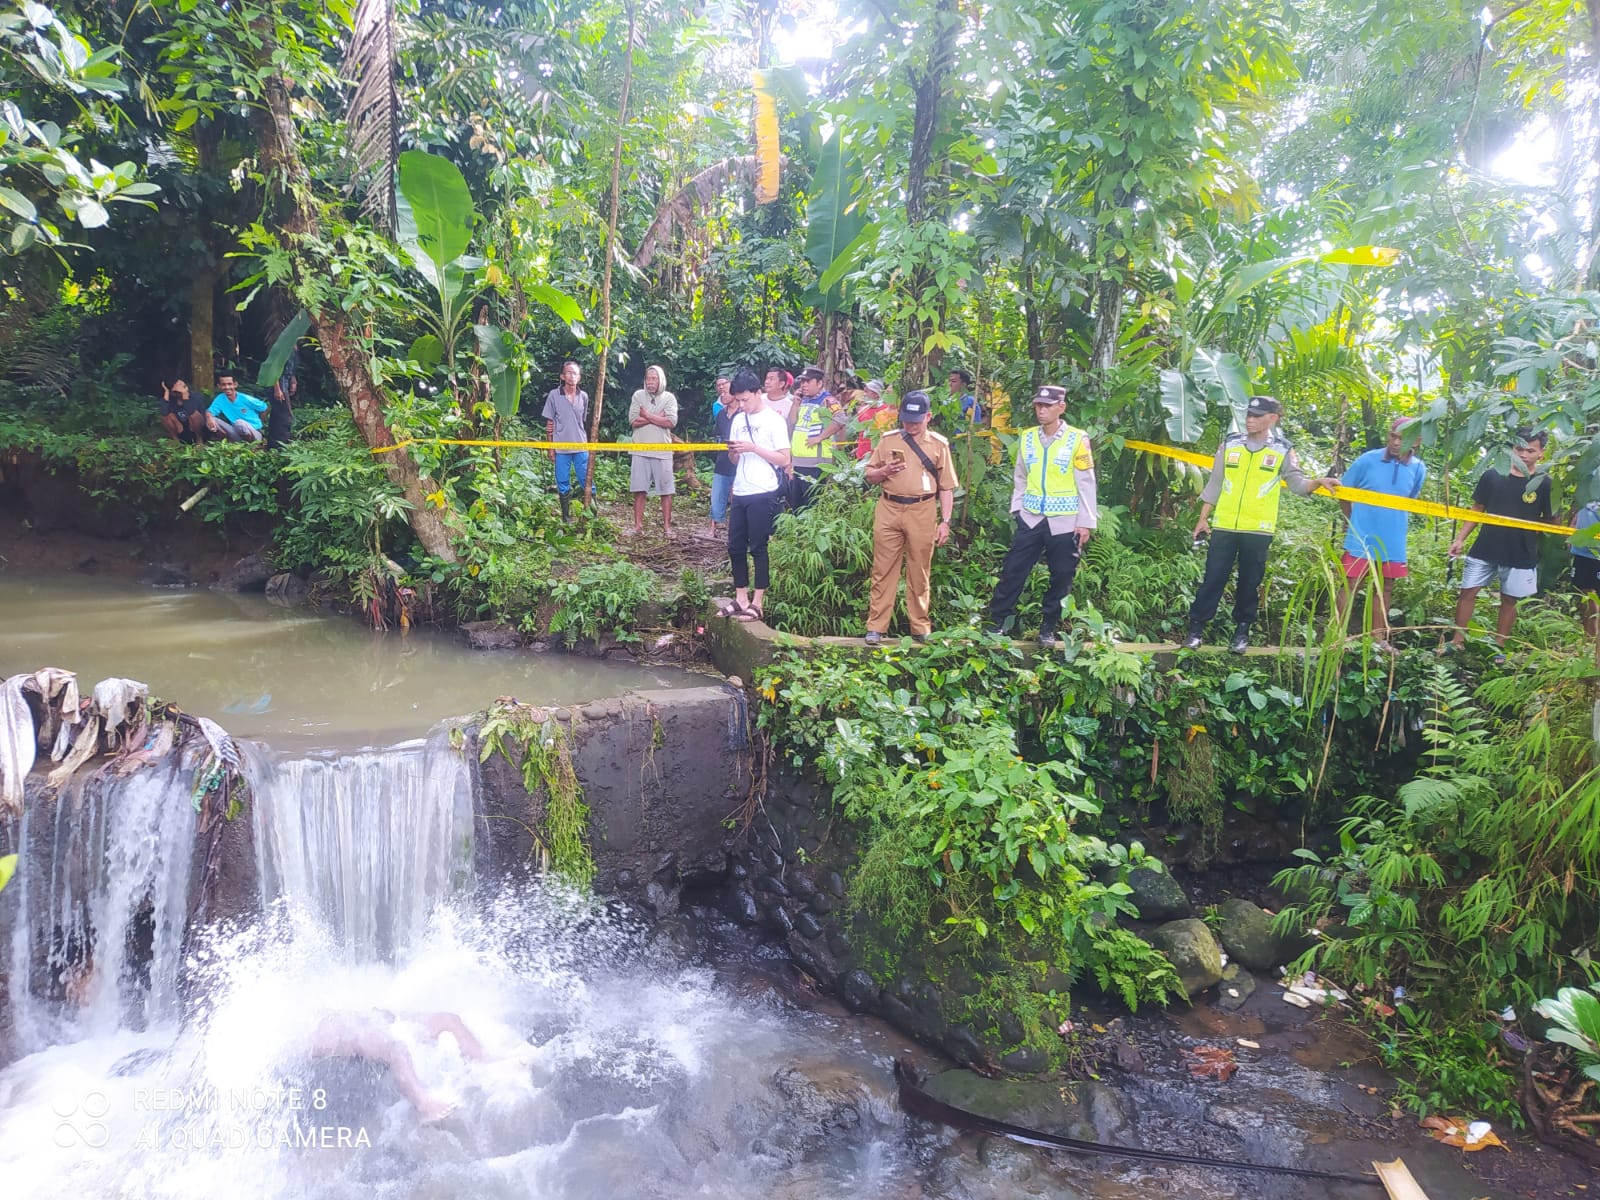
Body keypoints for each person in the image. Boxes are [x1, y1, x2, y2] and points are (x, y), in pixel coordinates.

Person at [1184, 396, 1338, 652]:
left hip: (1258, 529)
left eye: (1257, 416)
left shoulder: (1282, 449)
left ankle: (1241, 633)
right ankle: (1195, 630)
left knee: (1249, 582)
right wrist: (1203, 518)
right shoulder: (1230, 444)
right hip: (1225, 525)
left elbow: (1298, 484)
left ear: (1273, 418)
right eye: (1249, 415)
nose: (1250, 420)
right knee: (1213, 578)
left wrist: (1317, 482)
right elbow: (1216, 482)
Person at [984, 385, 1097, 648]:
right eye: (1038, 405)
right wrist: (1017, 508)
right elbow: (1020, 475)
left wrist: (1085, 522)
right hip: (1031, 517)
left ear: (1061, 407)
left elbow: (1086, 482)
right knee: (1013, 571)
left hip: (1065, 521)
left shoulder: (1077, 439)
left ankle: (1048, 628)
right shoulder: (1027, 437)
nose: (1041, 410)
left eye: (1047, 406)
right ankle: (997, 623)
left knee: (1061, 577)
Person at [1446, 427, 1552, 662]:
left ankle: (1499, 647)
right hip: (1486, 546)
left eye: (1530, 451)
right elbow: (1477, 509)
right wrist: (1460, 538)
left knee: (1509, 599)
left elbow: (1550, 521)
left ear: (1541, 453)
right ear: (1511, 449)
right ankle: (1457, 641)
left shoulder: (1544, 483)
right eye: (1519, 449)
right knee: (1468, 592)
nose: (1523, 455)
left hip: (1520, 552)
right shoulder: (1493, 475)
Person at [863, 390, 958, 646]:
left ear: (928, 417)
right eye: (906, 420)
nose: (911, 426)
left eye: (916, 421)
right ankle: (876, 627)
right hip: (889, 507)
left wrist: (945, 521)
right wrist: (884, 471)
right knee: (882, 569)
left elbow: (946, 487)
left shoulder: (938, 445)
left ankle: (920, 626)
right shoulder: (888, 440)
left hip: (922, 510)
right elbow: (869, 475)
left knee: (920, 570)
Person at [309, 1009, 499, 1124]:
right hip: (351, 1028)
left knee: (448, 1019)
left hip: (377, 1017)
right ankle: (424, 1104)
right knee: (396, 1049)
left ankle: (487, 1063)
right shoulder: (324, 1027)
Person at [1336, 417, 1426, 649]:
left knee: (1385, 587)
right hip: (1361, 535)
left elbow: (1410, 499)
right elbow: (1343, 492)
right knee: (1351, 583)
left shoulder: (1418, 468)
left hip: (1393, 539)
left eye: (1402, 439)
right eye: (1393, 436)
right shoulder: (1367, 460)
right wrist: (1351, 521)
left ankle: (1378, 639)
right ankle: (1337, 636)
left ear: (1416, 441)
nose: (1395, 442)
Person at [722, 369, 790, 622]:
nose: (742, 405)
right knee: (735, 546)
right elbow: (733, 459)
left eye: (745, 399)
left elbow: (784, 459)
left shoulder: (774, 420)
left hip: (763, 490)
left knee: (758, 546)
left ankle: (758, 602)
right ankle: (741, 597)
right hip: (741, 489)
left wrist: (753, 448)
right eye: (738, 400)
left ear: (757, 393)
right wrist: (734, 452)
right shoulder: (738, 419)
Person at [787, 366, 850, 511]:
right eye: (802, 382)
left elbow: (841, 418)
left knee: (812, 506)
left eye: (808, 381)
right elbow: (791, 423)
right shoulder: (802, 400)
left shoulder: (828, 400)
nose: (804, 385)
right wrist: (795, 404)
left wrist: (820, 437)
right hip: (798, 461)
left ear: (820, 383)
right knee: (797, 508)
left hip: (817, 463)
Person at [627, 364, 678, 536]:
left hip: (662, 450)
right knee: (639, 490)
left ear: (660, 380)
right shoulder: (638, 395)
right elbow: (633, 421)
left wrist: (647, 415)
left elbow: (670, 422)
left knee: (666, 491)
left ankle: (667, 527)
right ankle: (637, 526)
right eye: (648, 378)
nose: (650, 382)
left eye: (654, 378)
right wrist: (657, 417)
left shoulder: (669, 398)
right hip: (640, 449)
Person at [543, 361, 590, 522]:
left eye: (575, 373)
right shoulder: (554, 395)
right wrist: (550, 448)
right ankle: (566, 517)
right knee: (562, 481)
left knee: (586, 479)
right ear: (562, 376)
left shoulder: (583, 397)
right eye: (569, 372)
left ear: (579, 377)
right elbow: (549, 424)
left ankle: (592, 515)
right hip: (561, 447)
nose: (572, 376)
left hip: (580, 446)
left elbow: (582, 421)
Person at [707, 386, 742, 540]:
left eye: (726, 392)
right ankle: (712, 528)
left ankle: (735, 529)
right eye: (721, 393)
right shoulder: (721, 414)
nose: (722, 395)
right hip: (722, 460)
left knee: (737, 497)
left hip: (739, 461)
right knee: (716, 496)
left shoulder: (743, 413)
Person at [204, 372, 268, 443]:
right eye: (223, 385)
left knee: (239, 423)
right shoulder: (220, 399)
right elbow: (209, 412)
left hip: (254, 433)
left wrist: (261, 422)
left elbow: (264, 407)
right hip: (236, 432)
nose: (227, 387)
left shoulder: (245, 398)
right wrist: (209, 418)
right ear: (219, 386)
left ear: (235, 384)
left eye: (229, 384)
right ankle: (226, 442)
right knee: (212, 419)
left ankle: (251, 445)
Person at [1573, 496, 1600, 638]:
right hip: (1581, 550)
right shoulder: (1587, 486)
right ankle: (1588, 637)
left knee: (1595, 595)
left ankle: (1595, 639)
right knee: (1583, 592)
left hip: (1597, 552)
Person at [268, 342, 298, 449]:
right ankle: (282, 445)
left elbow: (290, 368)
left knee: (277, 415)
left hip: (285, 383)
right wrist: (277, 389)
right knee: (286, 417)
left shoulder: (293, 348)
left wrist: (293, 380)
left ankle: (273, 445)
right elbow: (274, 368)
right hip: (278, 384)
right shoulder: (282, 346)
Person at [854, 379, 893, 460]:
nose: (865, 394)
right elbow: (861, 431)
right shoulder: (862, 409)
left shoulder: (886, 410)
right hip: (862, 451)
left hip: (878, 453)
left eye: (867, 391)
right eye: (865, 391)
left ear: (876, 393)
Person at [158, 379, 206, 444]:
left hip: (197, 430)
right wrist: (166, 394)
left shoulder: (196, 396)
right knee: (166, 416)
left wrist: (185, 397)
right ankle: (176, 441)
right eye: (178, 386)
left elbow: (192, 412)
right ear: (173, 393)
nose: (180, 384)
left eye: (184, 386)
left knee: (194, 414)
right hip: (180, 430)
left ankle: (199, 441)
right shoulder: (170, 399)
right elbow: (164, 413)